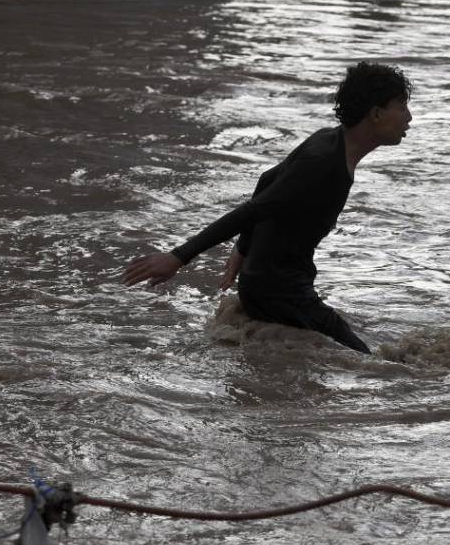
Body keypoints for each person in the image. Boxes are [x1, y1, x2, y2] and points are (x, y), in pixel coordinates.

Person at [122, 61, 413, 354]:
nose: (409, 118)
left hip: (269, 283)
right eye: (401, 107)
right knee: (371, 364)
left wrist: (244, 248)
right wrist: (178, 257)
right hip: (280, 291)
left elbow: (266, 180)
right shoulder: (323, 163)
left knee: (356, 350)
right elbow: (253, 209)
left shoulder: (329, 140)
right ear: (375, 114)